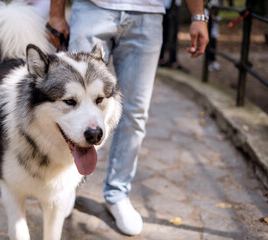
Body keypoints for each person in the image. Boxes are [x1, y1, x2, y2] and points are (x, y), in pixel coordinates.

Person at [48, 0, 208, 236]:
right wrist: (56, 14)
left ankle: (117, 193)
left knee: (135, 114)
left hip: (148, 14)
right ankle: (68, 188)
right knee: (75, 106)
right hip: (93, 8)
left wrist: (198, 16)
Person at [159, 0, 187, 71]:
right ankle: (161, 58)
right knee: (163, 31)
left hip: (174, 5)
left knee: (173, 32)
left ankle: (172, 59)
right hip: (164, 5)